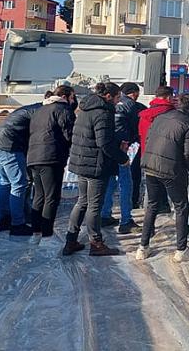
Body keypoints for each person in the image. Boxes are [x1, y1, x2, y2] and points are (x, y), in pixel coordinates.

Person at [64, 82, 129, 256]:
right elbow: (104, 143)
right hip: (95, 165)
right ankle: (96, 243)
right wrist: (122, 158)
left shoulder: (85, 109)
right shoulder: (103, 112)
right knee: (94, 205)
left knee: (82, 202)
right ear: (108, 96)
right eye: (117, 98)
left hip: (81, 161)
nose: (118, 102)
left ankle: (71, 240)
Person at [136, 93, 189, 262]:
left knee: (152, 205)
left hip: (150, 165)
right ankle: (181, 250)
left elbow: (148, 138)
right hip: (171, 169)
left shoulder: (161, 117)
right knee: (181, 206)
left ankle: (143, 247)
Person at [26, 85, 76, 241]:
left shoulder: (40, 110)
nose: (74, 101)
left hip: (33, 156)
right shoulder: (62, 109)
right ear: (65, 96)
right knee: (51, 196)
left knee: (39, 195)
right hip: (51, 157)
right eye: (73, 97)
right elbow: (69, 133)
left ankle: (36, 232)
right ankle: (47, 234)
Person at [0, 99, 44, 235]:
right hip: (9, 145)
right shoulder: (40, 113)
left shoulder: (29, 109)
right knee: (19, 184)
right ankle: (17, 224)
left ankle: (5, 220)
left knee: (6, 183)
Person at [101, 82, 144, 234]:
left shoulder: (108, 106)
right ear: (133, 93)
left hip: (109, 148)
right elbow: (138, 125)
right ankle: (126, 220)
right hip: (124, 148)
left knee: (111, 182)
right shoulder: (132, 106)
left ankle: (105, 214)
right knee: (126, 183)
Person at [138, 85, 176, 213]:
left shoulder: (145, 114)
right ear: (169, 97)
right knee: (174, 192)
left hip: (146, 155)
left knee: (151, 190)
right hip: (165, 156)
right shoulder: (170, 113)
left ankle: (149, 221)